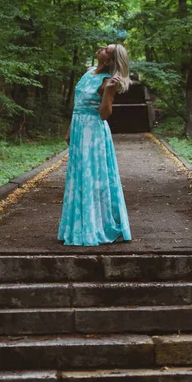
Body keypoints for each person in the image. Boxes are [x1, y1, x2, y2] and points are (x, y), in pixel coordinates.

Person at [58, 43, 132, 246]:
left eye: (106, 49)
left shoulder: (108, 81)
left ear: (109, 60)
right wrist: (69, 128)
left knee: (93, 178)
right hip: (79, 128)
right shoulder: (89, 71)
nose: (101, 48)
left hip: (93, 132)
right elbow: (78, 104)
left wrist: (108, 91)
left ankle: (94, 227)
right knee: (79, 176)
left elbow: (104, 114)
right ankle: (77, 226)